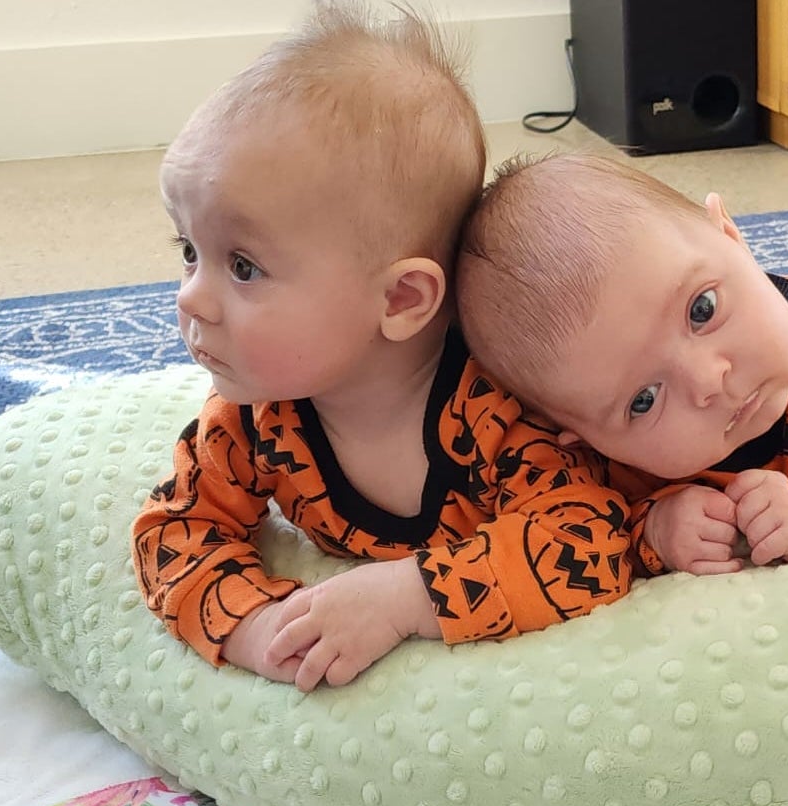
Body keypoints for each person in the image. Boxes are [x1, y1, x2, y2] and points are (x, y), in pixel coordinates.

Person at [132, 3, 633, 693]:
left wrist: (408, 597)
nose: (191, 297)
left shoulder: (497, 413)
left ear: (400, 301)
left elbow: (588, 539)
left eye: (243, 266)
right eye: (190, 251)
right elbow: (176, 529)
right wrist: (255, 628)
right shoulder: (255, 420)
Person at [454, 153, 788, 577]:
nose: (708, 382)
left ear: (731, 235)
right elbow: (593, 530)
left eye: (702, 310)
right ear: (584, 438)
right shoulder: (610, 455)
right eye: (644, 400)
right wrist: (654, 528)